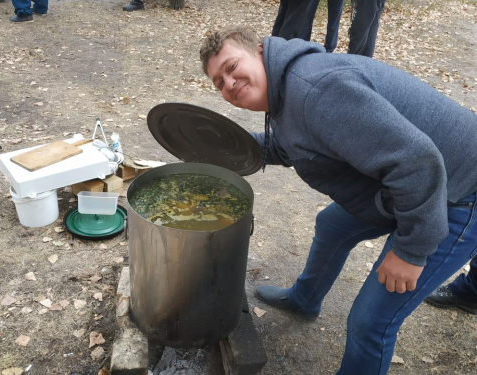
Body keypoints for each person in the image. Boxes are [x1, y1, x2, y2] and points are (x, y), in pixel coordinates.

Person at [199, 25, 477, 375]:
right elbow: (291, 145)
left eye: (231, 67)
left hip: (457, 190)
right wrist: (218, 149)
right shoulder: (284, 90)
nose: (229, 83)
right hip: (403, 186)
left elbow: (417, 164)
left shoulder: (316, 90)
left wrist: (411, 250)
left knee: (369, 323)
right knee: (331, 225)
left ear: (258, 50)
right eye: (218, 83)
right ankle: (304, 299)